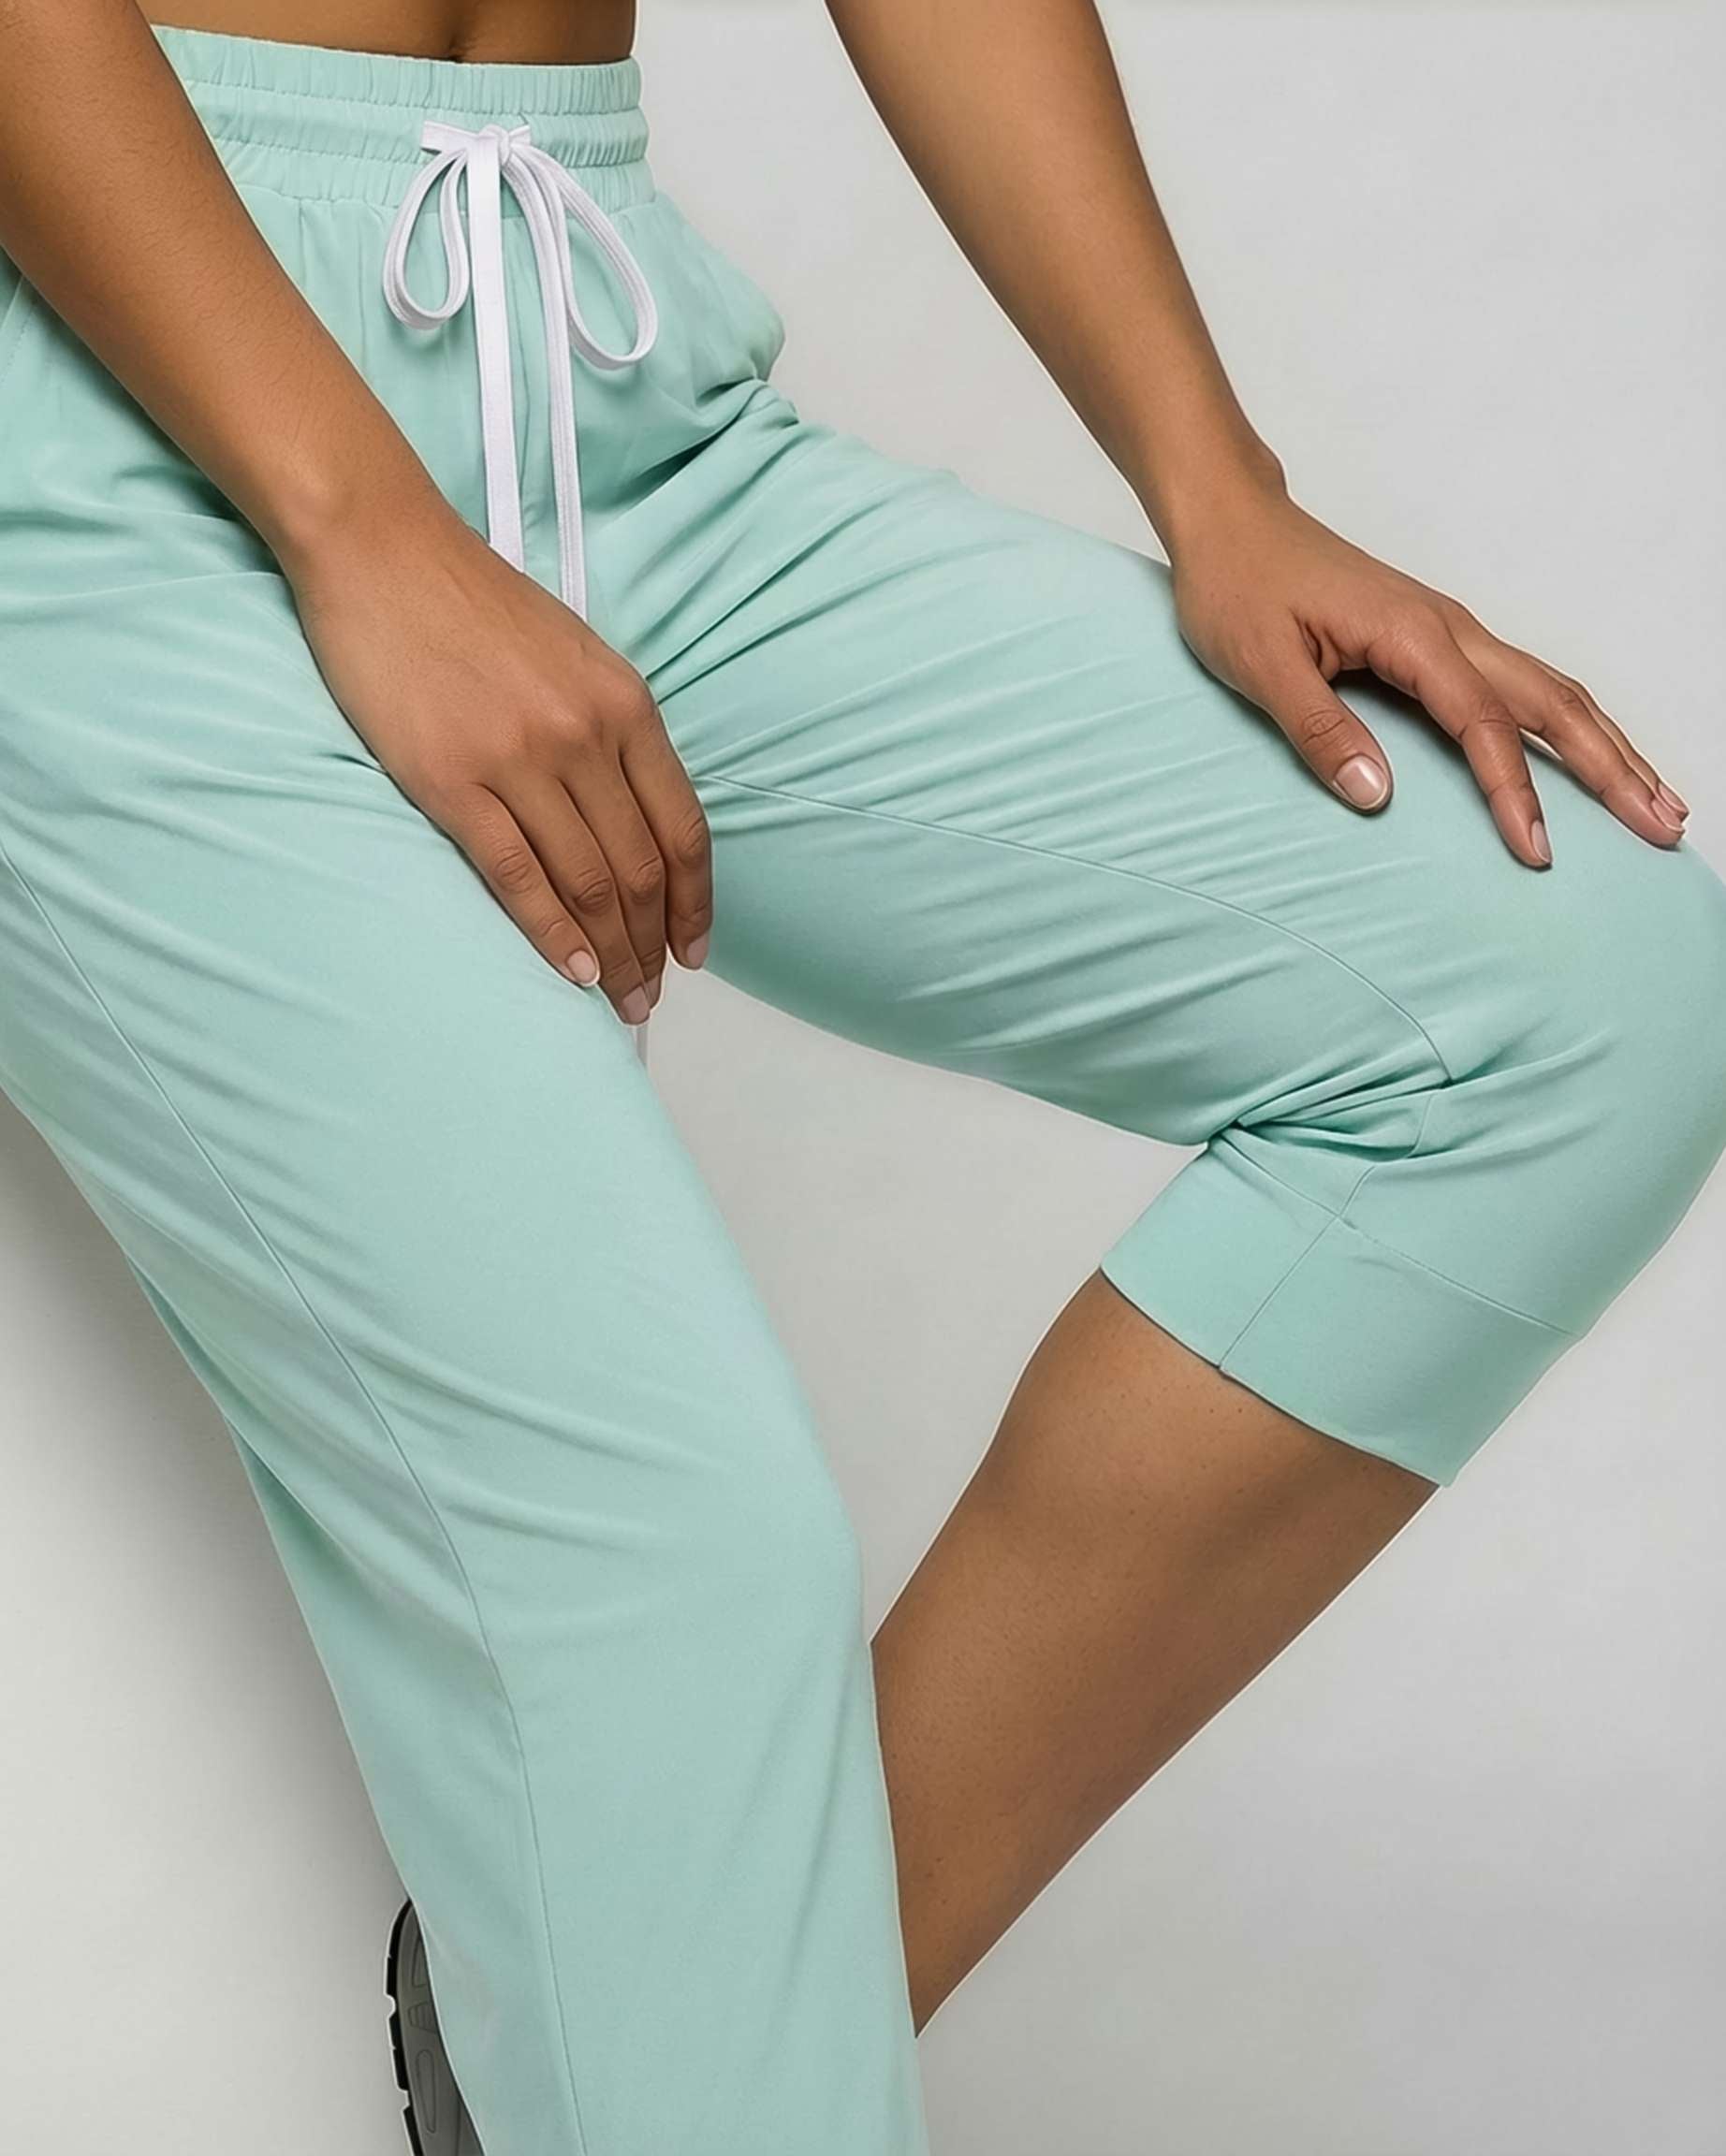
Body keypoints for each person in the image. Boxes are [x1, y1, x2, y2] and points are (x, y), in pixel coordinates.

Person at [1, 3, 1720, 2151]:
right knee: (683, 1549)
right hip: (110, 399)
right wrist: (360, 525)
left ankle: (660, 2002)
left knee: (1584, 996)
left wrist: (1216, 481)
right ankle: (673, 2016)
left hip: (595, 360)